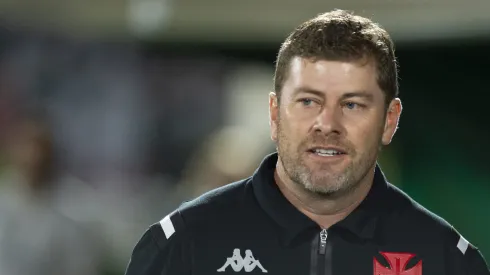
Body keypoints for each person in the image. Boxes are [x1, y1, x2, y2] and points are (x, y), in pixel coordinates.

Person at [124, 9, 490, 275]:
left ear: (389, 121)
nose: (326, 124)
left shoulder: (445, 258)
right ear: (274, 113)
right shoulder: (182, 245)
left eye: (352, 104)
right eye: (308, 101)